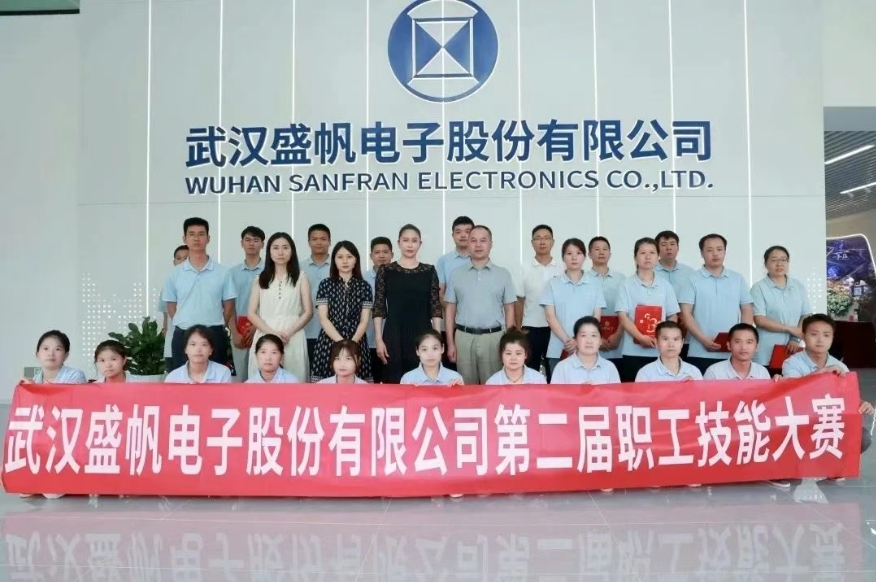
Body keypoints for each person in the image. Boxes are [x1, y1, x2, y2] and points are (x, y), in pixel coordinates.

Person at [773, 313, 872, 487]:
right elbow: (793, 392)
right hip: (800, 422)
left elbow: (848, 398)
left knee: (863, 436)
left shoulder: (840, 366)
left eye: (826, 335)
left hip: (827, 421)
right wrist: (822, 373)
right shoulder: (791, 363)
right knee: (792, 474)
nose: (820, 340)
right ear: (803, 336)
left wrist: (862, 403)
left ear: (832, 338)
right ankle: (790, 467)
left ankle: (832, 465)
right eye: (814, 334)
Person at [161, 218, 237, 369]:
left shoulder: (223, 272)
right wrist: (184, 321)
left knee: (216, 378)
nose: (196, 238)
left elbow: (229, 304)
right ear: (184, 239)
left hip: (214, 334)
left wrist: (219, 323)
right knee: (183, 379)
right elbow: (171, 306)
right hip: (183, 334)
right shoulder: (175, 274)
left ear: (208, 238)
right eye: (192, 234)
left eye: (201, 234)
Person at [445, 225, 516, 385]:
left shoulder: (503, 274)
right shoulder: (456, 274)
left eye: (483, 240)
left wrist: (509, 343)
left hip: (494, 338)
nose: (478, 245)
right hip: (463, 338)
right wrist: (450, 343)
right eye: (473, 240)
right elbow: (450, 310)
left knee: (493, 387)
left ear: (491, 244)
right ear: (468, 244)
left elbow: (509, 309)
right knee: (466, 387)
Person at [374, 224, 442, 383]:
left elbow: (435, 308)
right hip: (394, 333)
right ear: (399, 243)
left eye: (414, 240)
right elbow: (379, 308)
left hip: (422, 333)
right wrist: (378, 339)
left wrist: (437, 339)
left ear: (420, 244)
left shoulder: (429, 271)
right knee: (394, 381)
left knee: (423, 381)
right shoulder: (386, 270)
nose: (410, 245)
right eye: (406, 240)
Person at [679, 233, 754, 375]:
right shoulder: (692, 279)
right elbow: (685, 313)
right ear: (701, 253)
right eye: (710, 250)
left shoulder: (737, 279)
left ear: (725, 252)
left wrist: (740, 340)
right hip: (700, 352)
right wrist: (703, 340)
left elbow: (747, 310)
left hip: (733, 353)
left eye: (719, 249)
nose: (715, 254)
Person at [247, 232, 311, 382]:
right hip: (265, 332)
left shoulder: (301, 277)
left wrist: (289, 332)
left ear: (292, 251)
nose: (280, 252)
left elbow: (308, 312)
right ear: (269, 251)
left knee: (295, 378)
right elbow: (251, 313)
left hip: (293, 334)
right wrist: (272, 334)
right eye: (275, 248)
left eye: (285, 248)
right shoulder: (260, 279)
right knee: (262, 381)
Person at [615, 238, 680, 382]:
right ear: (635, 258)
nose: (648, 256)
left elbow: (673, 316)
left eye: (652, 253)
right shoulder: (625, 285)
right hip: (632, 351)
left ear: (658, 257)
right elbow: (623, 317)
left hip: (660, 351)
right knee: (633, 392)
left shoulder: (665, 286)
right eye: (643, 253)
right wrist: (640, 337)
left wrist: (663, 338)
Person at [541, 237, 606, 375]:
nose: (574, 257)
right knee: (560, 387)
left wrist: (579, 340)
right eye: (569, 253)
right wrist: (568, 340)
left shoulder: (595, 284)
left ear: (584, 257)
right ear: (563, 257)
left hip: (588, 349)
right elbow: (550, 317)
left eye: (578, 253)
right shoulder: (552, 284)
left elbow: (596, 317)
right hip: (559, 348)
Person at [311, 241, 373, 382]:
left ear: (356, 260)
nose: (345, 261)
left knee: (358, 388)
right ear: (334, 260)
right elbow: (323, 319)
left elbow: (364, 320)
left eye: (349, 257)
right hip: (329, 341)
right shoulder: (325, 284)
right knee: (326, 388)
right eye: (340, 257)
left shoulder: (365, 286)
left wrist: (351, 345)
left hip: (356, 340)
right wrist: (341, 344)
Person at [751, 245, 811, 375]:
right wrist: (790, 329)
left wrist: (795, 339)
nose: (779, 264)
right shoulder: (758, 288)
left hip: (792, 349)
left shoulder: (798, 286)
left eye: (783, 260)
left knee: (791, 384)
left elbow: (806, 314)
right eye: (774, 260)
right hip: (766, 351)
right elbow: (759, 319)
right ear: (766, 264)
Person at [513, 225, 562, 380]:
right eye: (538, 238)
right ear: (532, 242)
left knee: (554, 372)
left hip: (555, 329)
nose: (542, 242)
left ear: (553, 242)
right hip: (530, 328)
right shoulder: (524, 267)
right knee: (529, 372)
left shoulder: (561, 268)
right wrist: (518, 329)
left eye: (546, 238)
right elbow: (519, 301)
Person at [436, 215, 475, 370]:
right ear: (452, 236)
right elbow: (440, 292)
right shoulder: (444, 261)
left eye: (467, 231)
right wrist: (454, 312)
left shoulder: (480, 257)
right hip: (450, 324)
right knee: (451, 368)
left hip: (474, 323)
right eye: (458, 232)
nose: (463, 235)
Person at [230, 226, 265, 381]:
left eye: (256, 240)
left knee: (263, 375)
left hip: (264, 328)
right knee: (241, 377)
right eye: (248, 240)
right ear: (241, 243)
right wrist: (234, 332)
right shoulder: (232, 273)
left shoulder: (270, 271)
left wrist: (258, 326)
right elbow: (229, 305)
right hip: (239, 330)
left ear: (262, 244)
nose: (251, 244)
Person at [655, 230, 697, 357]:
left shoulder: (690, 273)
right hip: (658, 330)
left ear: (678, 248)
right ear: (657, 248)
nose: (668, 248)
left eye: (672, 244)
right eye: (663, 244)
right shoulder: (650, 271)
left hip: (686, 330)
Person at [588, 236, 625, 370]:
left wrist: (618, 336)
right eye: (597, 249)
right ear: (589, 254)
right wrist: (597, 338)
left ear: (610, 254)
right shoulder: (583, 279)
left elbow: (627, 311)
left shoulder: (622, 279)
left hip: (619, 340)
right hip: (590, 341)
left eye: (605, 249)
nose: (601, 252)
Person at [550, 316, 621, 384]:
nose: (589, 341)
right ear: (575, 340)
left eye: (593, 335)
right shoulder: (562, 368)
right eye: (583, 335)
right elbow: (555, 393)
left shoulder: (610, 368)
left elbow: (616, 393)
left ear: (601, 341)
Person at [302, 224, 332, 370]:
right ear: (308, 242)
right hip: (304, 331)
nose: (319, 242)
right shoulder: (298, 268)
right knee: (305, 375)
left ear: (329, 242)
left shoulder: (338, 266)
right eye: (314, 239)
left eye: (323, 239)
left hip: (332, 332)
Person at [365, 236, 393, 382]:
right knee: (371, 383)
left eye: (385, 252)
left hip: (393, 338)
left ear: (392, 254)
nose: (381, 256)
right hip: (369, 339)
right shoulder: (362, 278)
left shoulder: (400, 276)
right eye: (377, 252)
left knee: (392, 383)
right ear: (371, 256)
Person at [635, 321, 703, 382]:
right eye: (665, 339)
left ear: (682, 343)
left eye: (676, 339)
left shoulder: (694, 372)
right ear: (656, 342)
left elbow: (702, 393)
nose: (671, 344)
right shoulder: (645, 373)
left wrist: (693, 388)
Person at [703, 323, 773, 380]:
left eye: (749, 342)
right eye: (737, 342)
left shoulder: (762, 372)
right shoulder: (714, 372)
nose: (743, 347)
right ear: (729, 345)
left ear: (756, 347)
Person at [165, 325, 232, 383]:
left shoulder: (222, 373)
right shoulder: (172, 377)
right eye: (193, 344)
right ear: (185, 349)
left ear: (211, 350)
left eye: (204, 344)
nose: (198, 349)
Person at [160, 245, 189, 372]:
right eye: (179, 258)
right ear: (174, 262)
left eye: (186, 258)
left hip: (195, 345)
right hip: (173, 343)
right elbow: (166, 318)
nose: (182, 262)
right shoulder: (169, 285)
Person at [399, 330, 464, 385]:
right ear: (417, 351)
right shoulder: (408, 379)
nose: (430, 354)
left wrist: (457, 389)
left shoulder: (455, 377)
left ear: (442, 348)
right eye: (424, 349)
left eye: (435, 348)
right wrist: (408, 391)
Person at [21, 330, 86, 384]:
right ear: (37, 354)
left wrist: (34, 389)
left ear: (66, 355)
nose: (51, 353)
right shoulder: (34, 380)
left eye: (57, 349)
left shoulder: (75, 375)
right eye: (46, 348)